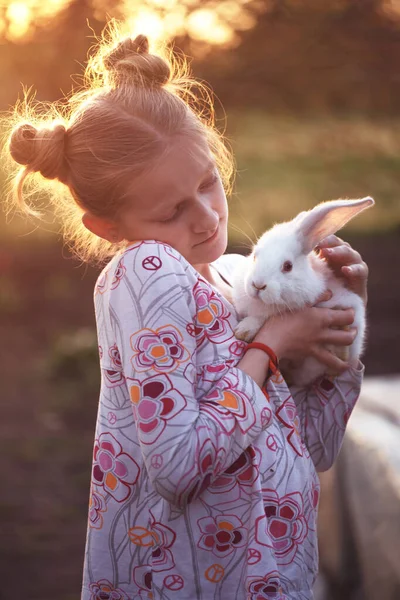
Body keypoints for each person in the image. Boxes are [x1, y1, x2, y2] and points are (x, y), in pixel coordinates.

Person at [4, 24, 368, 600]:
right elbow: (178, 466)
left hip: (274, 576)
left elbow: (315, 448)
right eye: (172, 209)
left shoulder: (236, 279)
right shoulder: (146, 273)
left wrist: (339, 318)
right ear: (108, 227)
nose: (205, 218)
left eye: (208, 183)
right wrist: (270, 347)